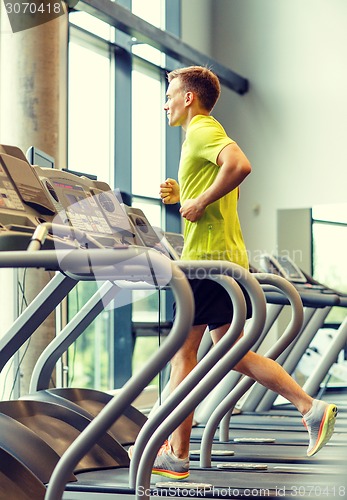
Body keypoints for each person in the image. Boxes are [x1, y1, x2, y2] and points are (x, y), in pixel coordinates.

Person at [129, 66, 338, 479]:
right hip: (222, 257)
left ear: (189, 98)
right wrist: (184, 198)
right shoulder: (201, 137)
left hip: (206, 262)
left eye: (170, 94)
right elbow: (210, 201)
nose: (165, 102)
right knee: (229, 351)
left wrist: (200, 199)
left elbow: (240, 165)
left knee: (183, 355)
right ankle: (309, 408)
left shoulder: (202, 130)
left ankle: (177, 452)